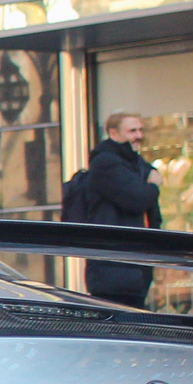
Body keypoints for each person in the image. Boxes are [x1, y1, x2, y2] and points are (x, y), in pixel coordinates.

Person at [72, 112, 162, 307]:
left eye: (140, 130)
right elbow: (137, 198)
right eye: (132, 131)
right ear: (113, 133)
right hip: (113, 271)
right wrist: (153, 185)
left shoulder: (131, 161)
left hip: (132, 269)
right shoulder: (105, 163)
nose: (139, 135)